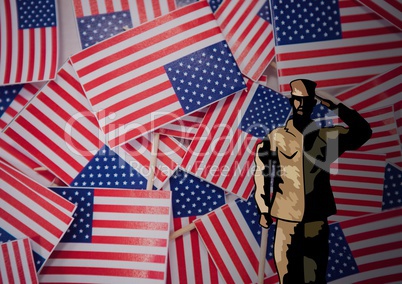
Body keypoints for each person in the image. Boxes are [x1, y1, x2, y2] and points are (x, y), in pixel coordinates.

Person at [254, 79, 372, 284]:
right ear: (291, 102)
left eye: (305, 101)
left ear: (313, 103)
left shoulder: (327, 137)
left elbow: (363, 132)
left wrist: (336, 106)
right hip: (286, 219)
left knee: (314, 279)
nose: (300, 105)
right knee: (288, 278)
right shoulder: (275, 138)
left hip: (315, 221)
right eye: (296, 100)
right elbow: (263, 175)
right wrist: (263, 209)